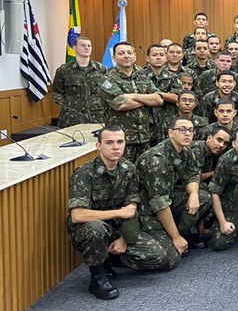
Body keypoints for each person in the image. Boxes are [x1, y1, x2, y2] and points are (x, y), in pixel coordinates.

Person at [67, 125, 177, 300]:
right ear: (98, 146)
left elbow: (132, 206)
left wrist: (125, 238)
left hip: (118, 229)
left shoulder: (129, 169)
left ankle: (110, 258)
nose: (116, 147)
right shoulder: (84, 173)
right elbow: (78, 215)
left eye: (120, 142)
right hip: (88, 230)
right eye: (109, 143)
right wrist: (118, 212)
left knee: (160, 257)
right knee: (96, 228)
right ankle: (97, 278)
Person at [135, 117, 212, 260]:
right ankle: (173, 236)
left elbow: (193, 176)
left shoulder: (185, 151)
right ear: (170, 133)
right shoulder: (156, 159)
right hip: (147, 211)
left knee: (204, 196)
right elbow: (159, 203)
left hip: (168, 199)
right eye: (182, 130)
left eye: (190, 130)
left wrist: (194, 195)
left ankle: (179, 233)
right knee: (169, 258)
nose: (187, 134)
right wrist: (175, 237)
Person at [99, 42, 163, 163]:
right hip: (120, 140)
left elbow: (158, 99)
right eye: (121, 53)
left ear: (134, 56)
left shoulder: (142, 76)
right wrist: (147, 100)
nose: (126, 56)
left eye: (129, 53)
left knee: (144, 173)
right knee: (123, 175)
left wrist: (132, 96)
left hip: (144, 137)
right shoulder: (106, 79)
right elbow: (121, 104)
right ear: (114, 58)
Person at [53, 36, 108, 127]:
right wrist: (68, 106)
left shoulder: (101, 69)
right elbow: (57, 93)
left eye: (89, 46)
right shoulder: (64, 70)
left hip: (98, 115)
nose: (87, 47)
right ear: (75, 48)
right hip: (72, 117)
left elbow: (107, 91)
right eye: (83, 45)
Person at [138, 44, 182, 145]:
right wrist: (166, 95)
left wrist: (157, 94)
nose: (158, 57)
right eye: (154, 55)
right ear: (148, 58)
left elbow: (177, 98)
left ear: (166, 57)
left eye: (161, 55)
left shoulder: (173, 77)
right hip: (144, 125)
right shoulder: (139, 76)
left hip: (166, 124)